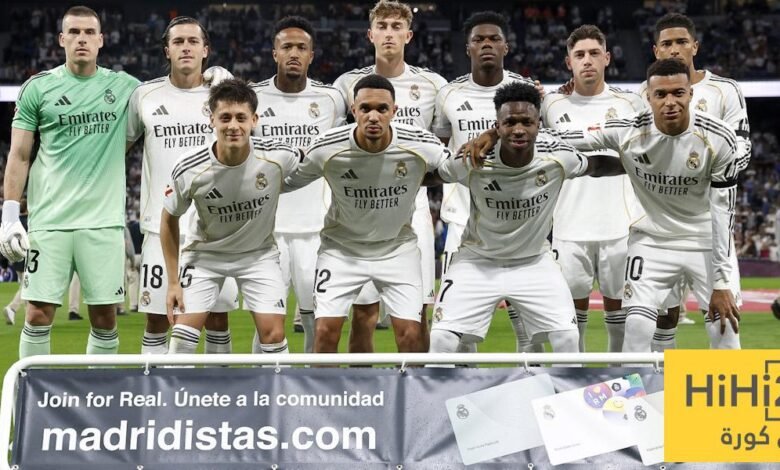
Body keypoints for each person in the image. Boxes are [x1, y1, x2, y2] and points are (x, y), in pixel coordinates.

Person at [466, 59, 740, 352]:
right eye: (661, 94)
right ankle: (637, 385)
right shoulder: (627, 130)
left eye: (678, 93)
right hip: (653, 240)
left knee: (724, 328)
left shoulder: (719, 138)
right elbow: (558, 136)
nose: (670, 102)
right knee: (636, 327)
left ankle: (725, 384)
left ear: (691, 94)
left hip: (705, 239)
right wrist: (494, 133)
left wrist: (722, 282)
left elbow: (723, 213)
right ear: (648, 97)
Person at [427, 81, 624, 353]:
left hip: (534, 262)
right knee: (441, 340)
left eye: (527, 122)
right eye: (509, 123)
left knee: (568, 339)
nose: (518, 130)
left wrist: (636, 167)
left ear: (538, 125)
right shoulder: (473, 159)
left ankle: (561, 388)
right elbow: (431, 176)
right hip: (477, 261)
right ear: (497, 126)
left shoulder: (558, 157)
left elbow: (597, 165)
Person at [0, 6, 139, 358]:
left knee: (105, 317)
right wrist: (10, 215)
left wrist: (207, 86)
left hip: (103, 222)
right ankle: (33, 392)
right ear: (61, 39)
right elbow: (19, 155)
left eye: (89, 32)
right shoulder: (38, 88)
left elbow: (167, 103)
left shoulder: (125, 87)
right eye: (74, 32)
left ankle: (97, 391)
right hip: (50, 220)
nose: (82, 39)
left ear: (101, 40)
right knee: (37, 313)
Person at [285, 74, 450, 353]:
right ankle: (329, 384)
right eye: (365, 109)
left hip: (397, 249)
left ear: (394, 111)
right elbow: (288, 181)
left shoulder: (419, 142)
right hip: (342, 250)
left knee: (411, 333)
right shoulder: (327, 146)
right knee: (324, 333)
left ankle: (414, 384)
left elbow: (453, 169)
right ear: (354, 110)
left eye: (382, 109)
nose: (373, 116)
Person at [333, 0, 446, 352]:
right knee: (363, 312)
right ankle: (364, 385)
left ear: (408, 35)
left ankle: (417, 386)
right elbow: (333, 145)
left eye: (397, 27)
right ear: (370, 35)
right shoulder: (347, 84)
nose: (389, 34)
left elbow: (441, 150)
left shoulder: (433, 85)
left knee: (417, 312)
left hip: (413, 209)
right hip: (360, 211)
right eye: (382, 26)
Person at [161, 79, 298, 355]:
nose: (233, 125)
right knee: (182, 340)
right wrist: (173, 282)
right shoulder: (189, 168)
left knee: (273, 336)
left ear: (254, 120)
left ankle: (271, 384)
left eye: (241, 117)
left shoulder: (279, 156)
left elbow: (318, 161)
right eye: (225, 117)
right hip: (205, 257)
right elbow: (168, 219)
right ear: (212, 120)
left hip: (258, 255)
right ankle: (178, 385)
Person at [127, 16, 238, 355]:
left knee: (217, 318)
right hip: (160, 228)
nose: (186, 47)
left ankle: (218, 384)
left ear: (206, 50)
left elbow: (249, 135)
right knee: (158, 319)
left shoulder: (222, 96)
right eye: (178, 42)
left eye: (193, 41)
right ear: (167, 50)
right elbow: (118, 148)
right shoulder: (144, 96)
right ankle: (155, 385)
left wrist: (232, 84)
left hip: (216, 228)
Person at [640, 13, 751, 351]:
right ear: (656, 51)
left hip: (709, 225)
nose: (674, 49)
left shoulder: (724, 90)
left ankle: (727, 383)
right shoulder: (645, 93)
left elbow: (743, 148)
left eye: (681, 42)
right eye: (667, 44)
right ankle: (662, 382)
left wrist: (707, 168)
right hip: (660, 225)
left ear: (695, 46)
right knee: (661, 319)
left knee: (723, 318)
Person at [433, 11, 539, 353]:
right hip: (462, 220)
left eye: (494, 39)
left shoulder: (526, 91)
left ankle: (531, 377)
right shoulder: (448, 94)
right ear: (468, 48)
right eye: (479, 40)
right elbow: (440, 153)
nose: (487, 45)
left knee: (527, 321)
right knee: (458, 322)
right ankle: (466, 376)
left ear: (506, 46)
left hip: (518, 219)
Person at [541, 25, 645, 352]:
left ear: (607, 58)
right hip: (569, 225)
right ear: (568, 62)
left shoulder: (631, 103)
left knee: (620, 314)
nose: (587, 60)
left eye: (594, 53)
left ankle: (619, 373)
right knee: (572, 321)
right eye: (580, 55)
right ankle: (575, 376)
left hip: (621, 225)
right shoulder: (550, 104)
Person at [251, 16, 346, 354]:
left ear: (311, 55)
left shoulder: (332, 99)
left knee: (316, 319)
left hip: (316, 228)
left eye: (301, 48)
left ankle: (310, 379)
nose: (294, 53)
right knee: (267, 323)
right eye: (287, 47)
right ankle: (263, 380)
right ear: (274, 53)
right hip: (267, 229)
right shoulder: (254, 97)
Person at [3, 198, 28, 326]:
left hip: (16, 262)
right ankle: (12, 308)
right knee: (27, 288)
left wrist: (4, 265)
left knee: (26, 287)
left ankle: (28, 318)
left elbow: (5, 242)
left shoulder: (14, 224)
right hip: (28, 260)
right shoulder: (29, 223)